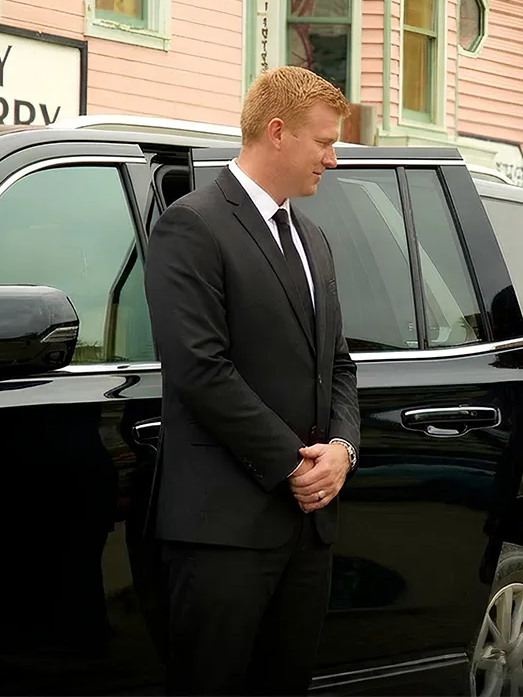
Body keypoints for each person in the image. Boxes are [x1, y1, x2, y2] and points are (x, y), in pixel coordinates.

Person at [144, 66, 360, 695]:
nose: (332, 159)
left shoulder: (314, 239)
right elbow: (199, 368)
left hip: (307, 533)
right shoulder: (193, 225)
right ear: (278, 132)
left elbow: (338, 365)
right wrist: (293, 465)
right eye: (324, 142)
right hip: (222, 533)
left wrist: (342, 450)